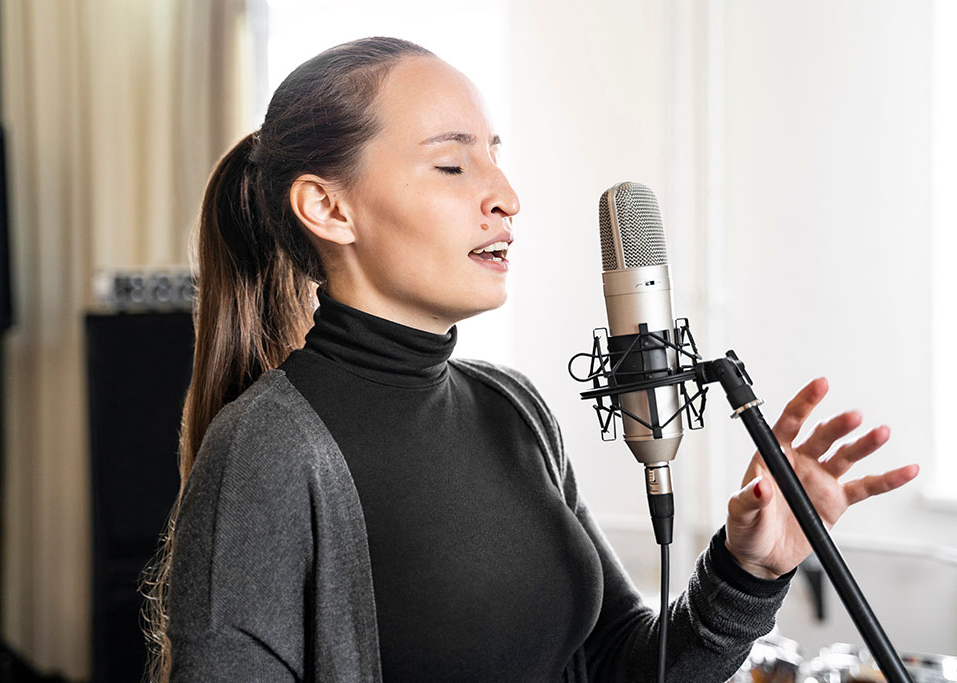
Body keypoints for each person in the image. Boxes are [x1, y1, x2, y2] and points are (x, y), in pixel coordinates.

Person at [142, 36, 919, 682]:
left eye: (496, 158)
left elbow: (624, 665)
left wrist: (748, 571)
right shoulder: (267, 450)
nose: (506, 194)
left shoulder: (512, 407)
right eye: (452, 164)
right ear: (328, 207)